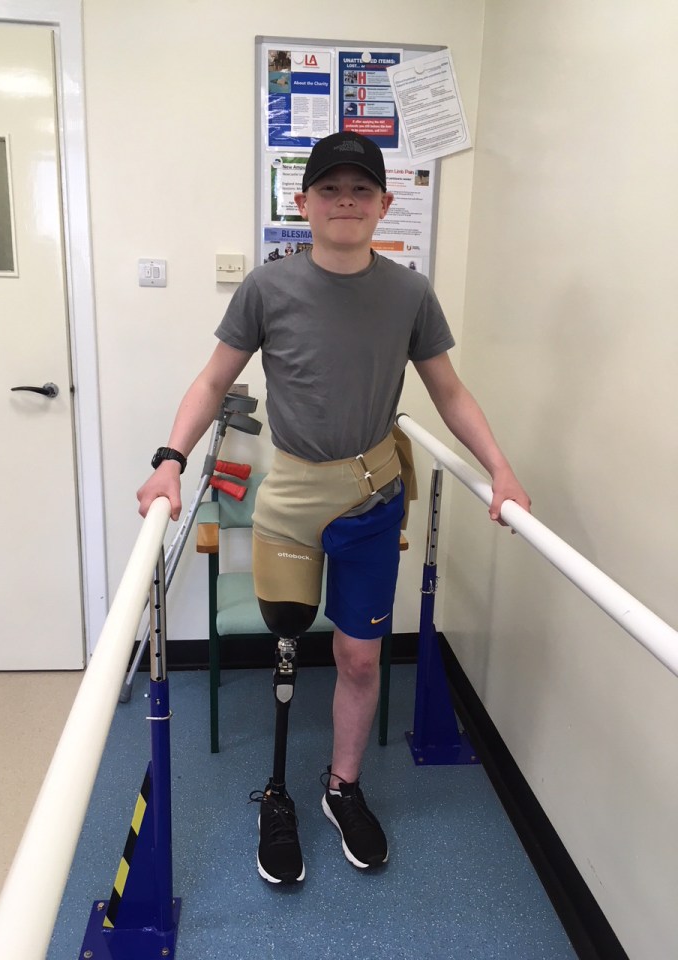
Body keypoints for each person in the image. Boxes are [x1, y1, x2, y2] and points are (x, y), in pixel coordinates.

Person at [137, 131, 531, 886]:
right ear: (304, 204)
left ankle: (341, 787)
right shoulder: (267, 287)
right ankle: (277, 795)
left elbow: (448, 390)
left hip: (370, 499)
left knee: (358, 656)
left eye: (360, 190)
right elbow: (213, 380)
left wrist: (502, 470)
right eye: (330, 189)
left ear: (384, 205)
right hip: (289, 500)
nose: (345, 201)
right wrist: (169, 460)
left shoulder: (410, 293)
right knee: (286, 644)